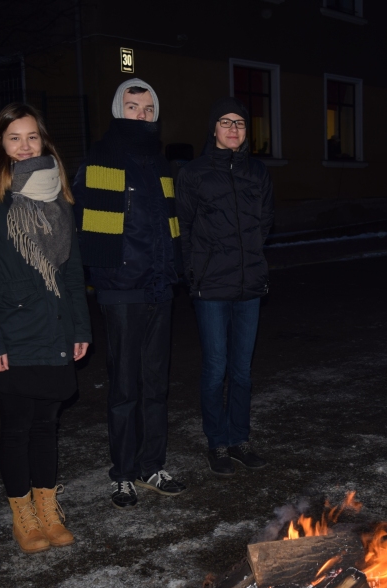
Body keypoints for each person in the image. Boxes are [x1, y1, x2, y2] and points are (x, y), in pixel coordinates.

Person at [0, 104, 92, 554]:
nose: (24, 145)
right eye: (14, 137)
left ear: (44, 141)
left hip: (54, 329)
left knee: (46, 424)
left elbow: (73, 271)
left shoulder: (58, 197)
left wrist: (80, 327)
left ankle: (48, 509)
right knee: (16, 426)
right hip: (11, 333)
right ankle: (23, 516)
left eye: (32, 137)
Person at [73, 78, 186, 509]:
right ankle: (122, 474)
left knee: (156, 384)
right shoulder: (102, 157)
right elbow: (88, 227)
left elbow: (168, 224)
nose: (140, 115)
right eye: (132, 106)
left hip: (159, 287)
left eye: (147, 109)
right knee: (124, 387)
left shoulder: (158, 161)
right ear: (118, 109)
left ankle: (151, 464)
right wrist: (108, 279)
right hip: (121, 289)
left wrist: (174, 270)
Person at [176, 97, 273, 476]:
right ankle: (216, 443)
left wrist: (252, 258)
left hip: (249, 283)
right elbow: (183, 229)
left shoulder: (258, 172)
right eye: (226, 122)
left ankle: (240, 440)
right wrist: (193, 273)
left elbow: (265, 223)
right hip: (211, 286)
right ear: (213, 129)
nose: (233, 129)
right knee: (216, 369)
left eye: (241, 124)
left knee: (243, 371)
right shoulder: (194, 174)